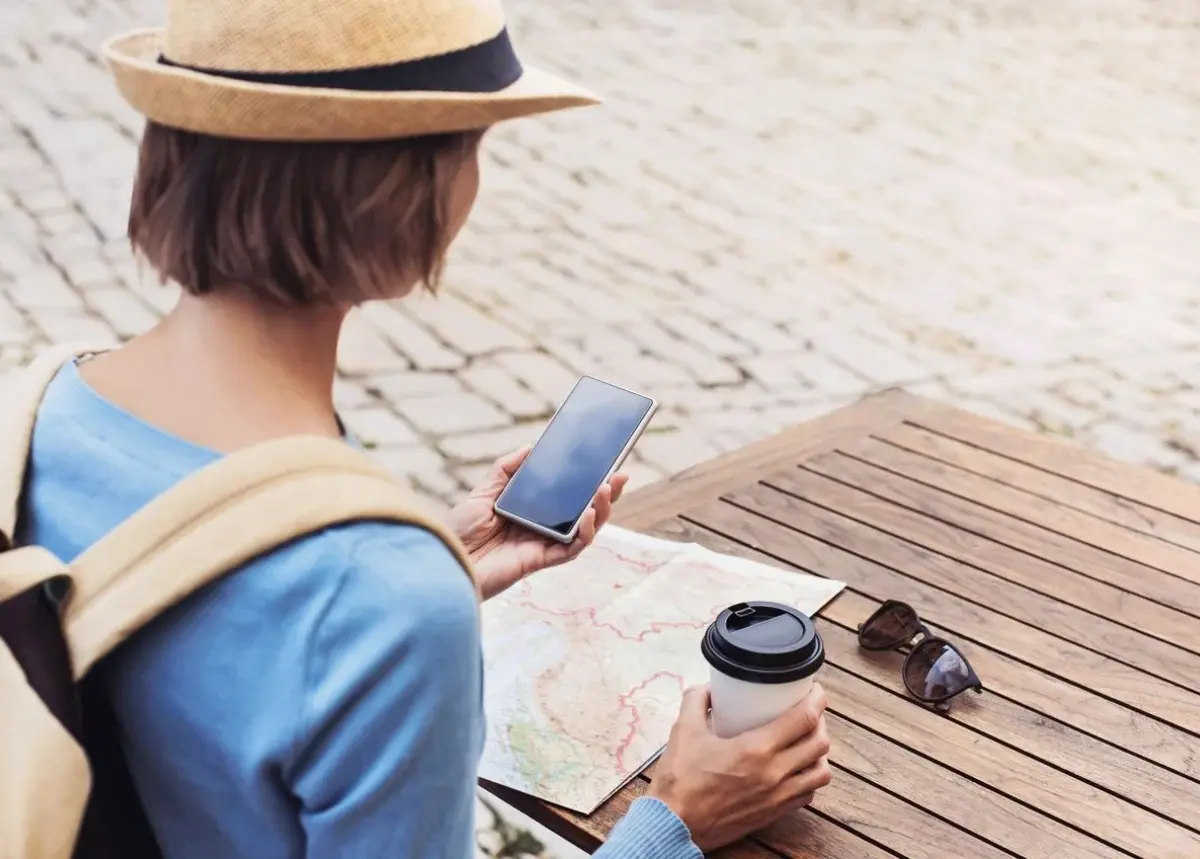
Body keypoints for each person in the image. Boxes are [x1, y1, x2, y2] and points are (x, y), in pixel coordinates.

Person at [17, 1, 832, 857]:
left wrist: (430, 562)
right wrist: (674, 822)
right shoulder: (385, 602)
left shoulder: (39, 409)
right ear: (419, 192)